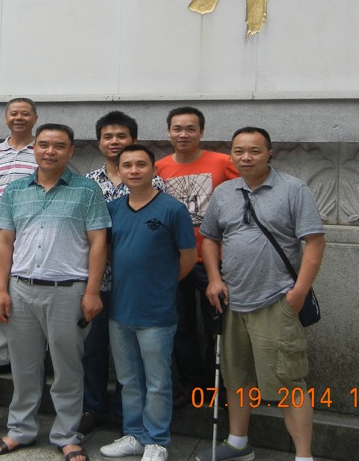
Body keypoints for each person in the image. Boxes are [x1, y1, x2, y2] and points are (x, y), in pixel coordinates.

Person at [196, 127, 325, 461]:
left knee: (288, 381)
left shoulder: (293, 189)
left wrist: (298, 292)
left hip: (276, 300)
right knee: (236, 377)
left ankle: (304, 456)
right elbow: (210, 238)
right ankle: (239, 443)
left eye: (254, 151)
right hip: (232, 301)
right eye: (238, 151)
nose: (246, 157)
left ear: (270, 153)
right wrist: (214, 279)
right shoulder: (224, 192)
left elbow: (314, 242)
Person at [0, 124, 110, 461]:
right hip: (21, 290)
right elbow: (4, 241)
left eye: (59, 146)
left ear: (71, 151)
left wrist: (92, 292)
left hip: (68, 292)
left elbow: (99, 242)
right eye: (43, 144)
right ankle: (20, 429)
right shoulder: (15, 190)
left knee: (68, 368)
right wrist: (2, 290)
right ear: (34, 148)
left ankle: (67, 434)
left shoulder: (86, 190)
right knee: (23, 367)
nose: (50, 151)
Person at [99, 144, 196, 461]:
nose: (134, 170)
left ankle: (156, 440)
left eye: (141, 164)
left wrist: (162, 283)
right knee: (128, 380)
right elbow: (109, 252)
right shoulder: (113, 209)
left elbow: (188, 257)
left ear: (154, 169)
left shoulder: (172, 209)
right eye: (127, 165)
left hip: (157, 313)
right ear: (119, 171)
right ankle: (134, 434)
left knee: (157, 381)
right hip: (120, 311)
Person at [81, 111, 166, 434]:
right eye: (108, 136)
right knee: (93, 347)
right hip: (97, 280)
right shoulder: (88, 183)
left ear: (134, 140)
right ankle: (93, 407)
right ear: (99, 142)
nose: (114, 142)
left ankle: (127, 414)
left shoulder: (153, 181)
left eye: (121, 136)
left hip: (136, 284)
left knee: (133, 353)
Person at [155, 106, 239, 405]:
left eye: (190, 128)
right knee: (180, 326)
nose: (183, 134)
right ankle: (190, 385)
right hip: (174, 259)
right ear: (168, 132)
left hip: (214, 260)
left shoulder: (223, 162)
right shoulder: (159, 168)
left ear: (202, 132)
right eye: (177, 128)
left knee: (218, 324)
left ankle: (217, 385)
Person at [0, 97, 38, 376]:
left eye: (25, 113)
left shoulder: (42, 150)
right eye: (14, 113)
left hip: (31, 230)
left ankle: (32, 355)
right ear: (6, 118)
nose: (19, 118)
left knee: (26, 293)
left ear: (35, 118)